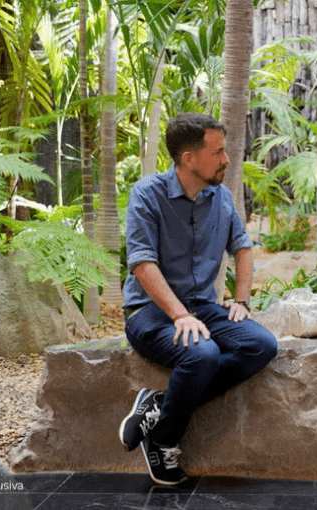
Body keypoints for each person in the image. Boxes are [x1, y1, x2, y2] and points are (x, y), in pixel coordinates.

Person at [118, 113, 278, 486]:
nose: (226, 160)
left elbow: (243, 248)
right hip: (149, 312)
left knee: (261, 345)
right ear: (189, 159)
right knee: (202, 353)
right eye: (217, 152)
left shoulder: (221, 197)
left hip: (203, 308)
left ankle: (159, 406)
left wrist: (241, 300)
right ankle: (164, 439)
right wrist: (178, 315)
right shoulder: (147, 194)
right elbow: (142, 263)